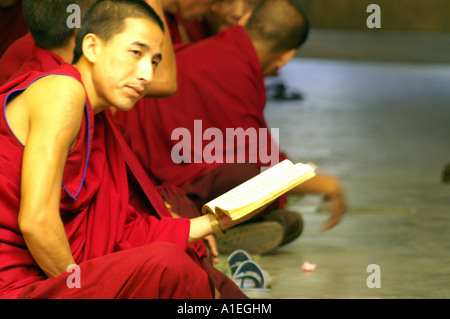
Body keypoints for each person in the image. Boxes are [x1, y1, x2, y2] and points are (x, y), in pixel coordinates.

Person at [0, 0, 263, 299]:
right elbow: (37, 223)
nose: (147, 75)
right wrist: (82, 288)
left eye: (154, 61)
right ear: (92, 46)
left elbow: (119, 232)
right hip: (16, 285)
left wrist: (217, 221)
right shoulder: (63, 91)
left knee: (171, 256)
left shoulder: (95, 118)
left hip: (49, 277)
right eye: (136, 53)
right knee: (170, 267)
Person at [114, 0, 346, 254]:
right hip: (147, 182)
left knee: (251, 179)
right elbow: (268, 163)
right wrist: (325, 184)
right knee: (253, 179)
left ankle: (215, 229)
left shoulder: (218, 49)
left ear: (245, 20)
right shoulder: (234, 67)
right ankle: (204, 231)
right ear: (286, 57)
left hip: (153, 165)